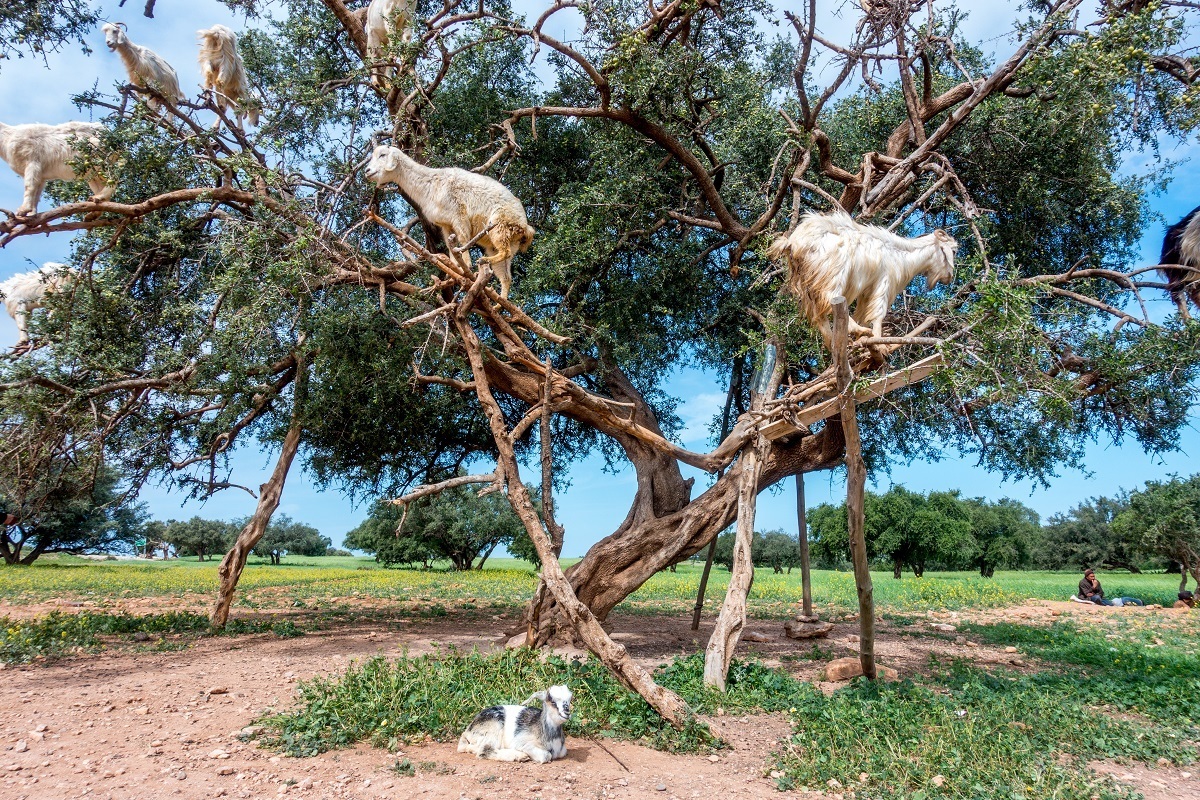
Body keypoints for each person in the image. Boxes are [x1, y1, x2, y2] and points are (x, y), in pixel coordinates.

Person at [1077, 568, 1144, 606]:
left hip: (1098, 598)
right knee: (1097, 598)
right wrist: (1093, 587)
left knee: (1121, 600)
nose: (1093, 578)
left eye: (1094, 576)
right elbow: (1086, 594)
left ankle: (1139, 602)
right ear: (1086, 577)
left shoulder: (1096, 581)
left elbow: (1101, 592)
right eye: (1091, 577)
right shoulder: (1082, 582)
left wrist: (1095, 593)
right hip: (1089, 598)